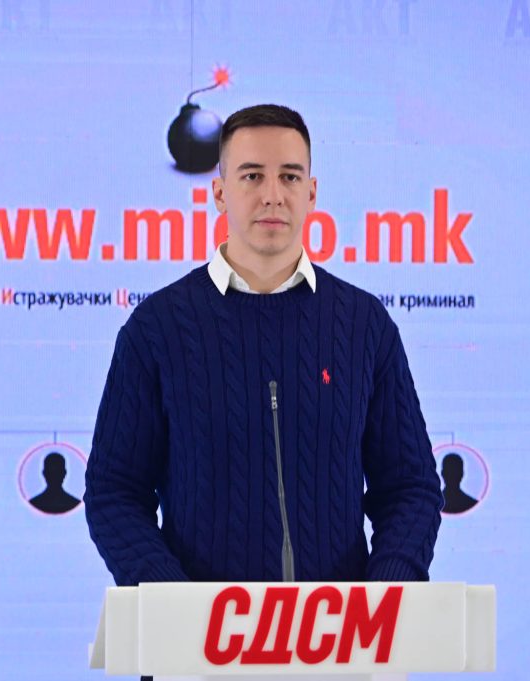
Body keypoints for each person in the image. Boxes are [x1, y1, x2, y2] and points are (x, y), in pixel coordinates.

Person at [84, 104, 443, 585]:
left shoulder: (364, 325)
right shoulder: (157, 328)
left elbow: (411, 488)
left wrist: (381, 597)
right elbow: (114, 491)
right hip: (196, 630)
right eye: (252, 176)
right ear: (219, 193)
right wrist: (172, 600)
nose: (272, 195)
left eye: (290, 177)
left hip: (341, 628)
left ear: (311, 193)